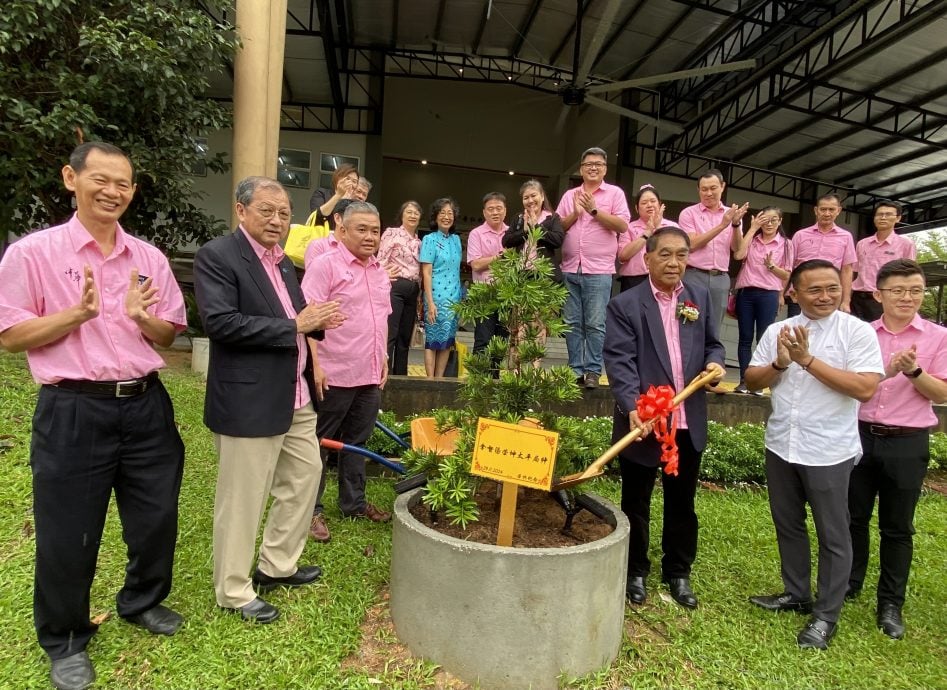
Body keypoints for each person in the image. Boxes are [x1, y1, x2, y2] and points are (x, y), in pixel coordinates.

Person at [0, 141, 186, 690]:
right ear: (70, 179)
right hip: (74, 407)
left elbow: (169, 330)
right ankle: (65, 638)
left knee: (156, 516)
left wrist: (141, 318)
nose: (113, 192)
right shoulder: (32, 254)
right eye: (101, 180)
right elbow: (11, 335)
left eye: (123, 183)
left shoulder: (147, 258)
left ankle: (141, 601)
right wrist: (74, 315)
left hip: (146, 404)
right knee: (69, 530)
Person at [194, 176, 343, 626]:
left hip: (293, 393)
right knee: (244, 498)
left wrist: (316, 323)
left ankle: (276, 566)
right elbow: (221, 324)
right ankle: (233, 591)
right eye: (267, 211)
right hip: (248, 399)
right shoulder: (218, 256)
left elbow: (293, 317)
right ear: (241, 211)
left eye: (283, 213)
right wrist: (297, 326)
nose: (277, 220)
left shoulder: (281, 262)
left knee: (304, 477)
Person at [746, 259, 883, 650]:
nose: (825, 296)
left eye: (832, 288)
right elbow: (754, 382)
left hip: (829, 449)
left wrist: (807, 361)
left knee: (833, 534)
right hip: (782, 444)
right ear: (794, 293)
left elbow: (864, 388)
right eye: (814, 290)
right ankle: (796, 592)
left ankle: (825, 615)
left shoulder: (855, 332)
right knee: (787, 523)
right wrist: (780, 363)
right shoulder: (777, 330)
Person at [603, 227, 726, 611]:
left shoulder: (699, 297)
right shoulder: (625, 304)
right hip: (644, 420)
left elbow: (713, 344)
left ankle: (678, 570)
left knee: (681, 500)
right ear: (647, 258)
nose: (674, 263)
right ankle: (635, 569)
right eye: (666, 255)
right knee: (636, 499)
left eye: (682, 255)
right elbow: (619, 360)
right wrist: (632, 404)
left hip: (687, 420)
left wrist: (715, 363)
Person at [848, 259, 947, 639]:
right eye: (898, 291)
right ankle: (849, 584)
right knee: (852, 516)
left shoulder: (937, 337)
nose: (907, 298)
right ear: (878, 294)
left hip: (907, 440)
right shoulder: (861, 334)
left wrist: (915, 372)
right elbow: (853, 383)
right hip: (859, 434)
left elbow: (942, 393)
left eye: (916, 291)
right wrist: (885, 372)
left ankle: (890, 604)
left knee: (897, 527)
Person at [301, 201, 393, 543]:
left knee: (357, 442)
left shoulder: (379, 270)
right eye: (362, 229)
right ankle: (311, 510)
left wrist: (382, 357)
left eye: (375, 230)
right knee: (319, 444)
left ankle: (353, 503)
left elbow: (380, 319)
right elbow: (308, 317)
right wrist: (316, 365)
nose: (370, 237)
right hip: (334, 371)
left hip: (369, 372)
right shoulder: (326, 266)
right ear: (343, 229)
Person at [556, 147, 631, 389]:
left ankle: (592, 371)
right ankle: (575, 369)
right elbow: (557, 228)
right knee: (571, 322)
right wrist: (576, 214)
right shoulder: (570, 195)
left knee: (596, 323)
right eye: (589, 164)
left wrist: (594, 211)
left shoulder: (615, 194)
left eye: (598, 164)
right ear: (581, 168)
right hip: (570, 267)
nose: (593, 167)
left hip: (599, 270)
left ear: (605, 169)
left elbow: (622, 225)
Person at [503, 179, 565, 367]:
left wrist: (536, 228)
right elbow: (506, 241)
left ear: (542, 196)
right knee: (519, 325)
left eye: (533, 196)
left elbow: (557, 240)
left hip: (543, 280)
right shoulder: (518, 219)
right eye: (526, 197)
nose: (530, 200)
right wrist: (525, 230)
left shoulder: (552, 218)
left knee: (539, 325)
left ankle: (535, 367)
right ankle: (518, 368)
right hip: (521, 278)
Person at [731, 207, 793, 394]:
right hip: (747, 293)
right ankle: (744, 380)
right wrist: (751, 229)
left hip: (769, 294)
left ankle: (759, 382)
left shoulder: (785, 244)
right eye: (765, 220)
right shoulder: (754, 240)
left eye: (774, 220)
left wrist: (772, 267)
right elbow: (739, 255)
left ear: (780, 221)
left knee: (764, 338)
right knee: (745, 338)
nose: (769, 224)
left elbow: (787, 274)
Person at [678, 168, 749, 327]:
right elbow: (691, 244)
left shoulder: (732, 215)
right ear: (698, 190)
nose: (708, 193)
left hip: (720, 278)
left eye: (713, 188)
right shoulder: (688, 213)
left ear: (722, 186)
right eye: (704, 189)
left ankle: (709, 353)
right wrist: (722, 225)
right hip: (693, 276)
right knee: (688, 323)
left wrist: (736, 224)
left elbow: (737, 249)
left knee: (714, 327)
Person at [786, 193, 856, 317]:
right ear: (816, 210)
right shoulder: (800, 235)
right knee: (796, 332)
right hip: (801, 293)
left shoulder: (846, 236)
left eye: (831, 209)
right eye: (823, 209)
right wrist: (781, 294)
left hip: (829, 296)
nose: (827, 213)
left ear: (838, 211)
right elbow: (789, 266)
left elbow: (846, 270)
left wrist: (846, 301)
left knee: (827, 333)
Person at [850, 201, 916, 322]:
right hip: (858, 297)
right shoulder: (862, 243)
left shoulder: (905, 244)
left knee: (879, 335)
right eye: (879, 214)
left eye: (888, 214)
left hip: (883, 298)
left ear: (898, 218)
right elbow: (853, 271)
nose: (883, 217)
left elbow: (909, 275)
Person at [420, 197, 463, 378]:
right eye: (442, 213)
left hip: (454, 297)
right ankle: (430, 381)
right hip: (436, 296)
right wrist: (430, 302)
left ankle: (440, 380)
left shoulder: (457, 240)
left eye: (450, 213)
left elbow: (457, 271)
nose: (447, 216)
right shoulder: (429, 239)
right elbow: (426, 273)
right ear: (436, 217)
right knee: (432, 339)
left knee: (447, 340)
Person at [379, 201, 423, 375]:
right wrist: (383, 277)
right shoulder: (392, 233)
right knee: (391, 332)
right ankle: (385, 374)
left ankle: (401, 374)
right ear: (402, 215)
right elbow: (381, 259)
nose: (412, 215)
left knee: (405, 336)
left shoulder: (419, 242)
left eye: (416, 213)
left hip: (413, 289)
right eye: (409, 212)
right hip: (395, 285)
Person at [467, 192, 510, 367]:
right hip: (484, 294)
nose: (495, 212)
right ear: (484, 212)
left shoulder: (512, 233)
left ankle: (495, 382)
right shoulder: (476, 234)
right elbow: (476, 264)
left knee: (501, 343)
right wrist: (500, 257)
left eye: (499, 208)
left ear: (505, 211)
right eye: (491, 209)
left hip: (507, 295)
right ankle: (479, 385)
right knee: (483, 340)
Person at [616, 183, 678, 292]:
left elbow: (678, 253)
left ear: (659, 204)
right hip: (633, 280)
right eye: (644, 203)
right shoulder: (628, 227)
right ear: (636, 208)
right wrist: (647, 232)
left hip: (664, 278)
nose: (649, 205)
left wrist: (657, 227)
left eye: (653, 201)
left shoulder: (673, 227)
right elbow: (623, 256)